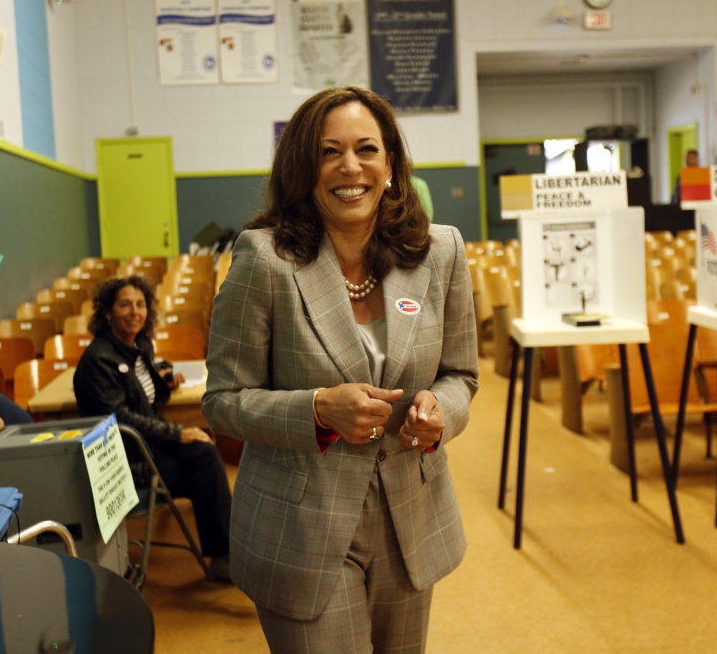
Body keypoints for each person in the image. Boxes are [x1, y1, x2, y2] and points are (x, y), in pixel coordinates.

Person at [202, 86, 478, 653]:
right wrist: (316, 408)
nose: (350, 167)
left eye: (367, 149)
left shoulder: (440, 252)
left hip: (409, 520)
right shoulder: (265, 260)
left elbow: (462, 375)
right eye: (330, 152)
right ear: (305, 168)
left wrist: (439, 412)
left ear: (391, 163)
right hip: (303, 530)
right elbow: (224, 400)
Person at [72, 275, 232, 581]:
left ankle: (226, 554)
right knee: (203, 463)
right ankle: (225, 555)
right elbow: (120, 417)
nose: (134, 312)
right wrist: (177, 433)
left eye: (140, 305)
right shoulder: (98, 359)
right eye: (125, 305)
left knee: (205, 452)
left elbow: (142, 389)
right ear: (107, 312)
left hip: (149, 445)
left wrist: (163, 377)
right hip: (129, 461)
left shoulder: (137, 345)